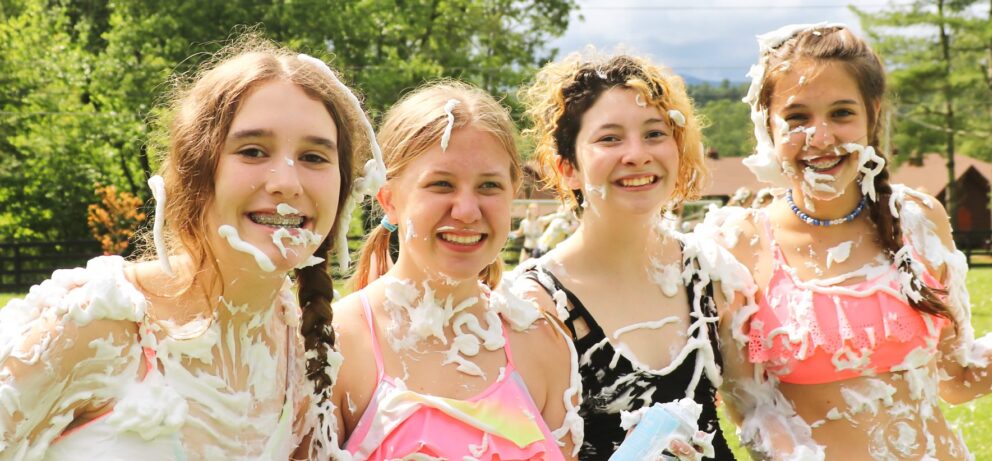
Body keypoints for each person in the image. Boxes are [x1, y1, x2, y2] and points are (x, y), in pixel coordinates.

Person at [705, 23, 992, 459]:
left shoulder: (918, 219)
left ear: (872, 115)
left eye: (842, 113)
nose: (821, 137)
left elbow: (958, 376)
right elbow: (752, 411)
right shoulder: (736, 243)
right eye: (798, 117)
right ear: (766, 125)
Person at [0, 36, 378, 459]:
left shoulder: (305, 355)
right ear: (198, 171)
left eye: (314, 157)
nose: (287, 182)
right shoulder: (99, 324)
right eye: (253, 151)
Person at [330, 81, 580, 460]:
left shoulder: (545, 343)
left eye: (489, 186)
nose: (466, 210)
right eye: (441, 184)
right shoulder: (338, 343)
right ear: (390, 200)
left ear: (513, 195)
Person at [515, 51, 736, 460]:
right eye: (609, 138)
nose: (637, 154)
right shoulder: (535, 307)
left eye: (655, 134)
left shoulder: (711, 274)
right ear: (567, 168)